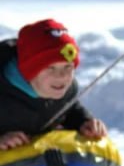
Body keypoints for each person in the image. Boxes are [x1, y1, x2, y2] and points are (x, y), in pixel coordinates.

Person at [0, 19, 108, 150]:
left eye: (68, 67)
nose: (61, 75)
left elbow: (69, 109)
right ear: (29, 70)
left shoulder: (64, 89)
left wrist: (84, 122)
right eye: (50, 68)